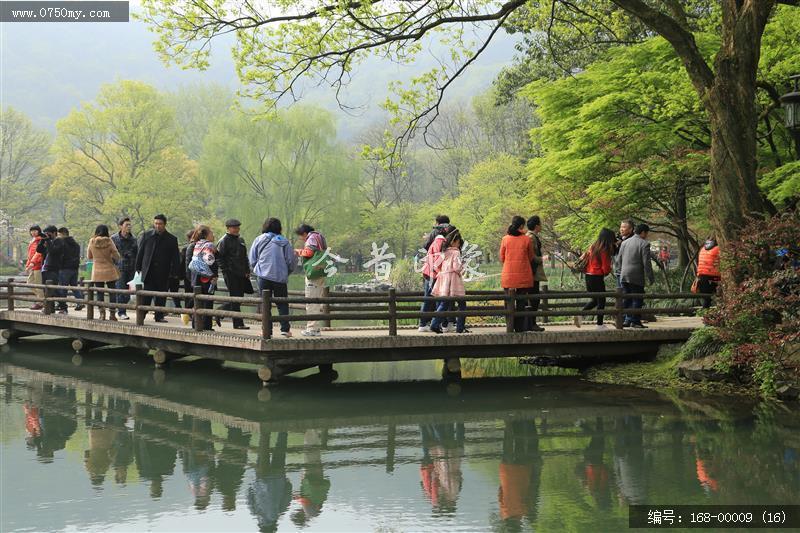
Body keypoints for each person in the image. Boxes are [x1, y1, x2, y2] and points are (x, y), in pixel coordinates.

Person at [249, 218, 297, 337]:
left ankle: (266, 330)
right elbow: (291, 261)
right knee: (282, 304)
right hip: (280, 277)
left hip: (263, 277)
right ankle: (285, 330)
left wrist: (258, 269)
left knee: (265, 304)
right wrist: (286, 272)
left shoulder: (259, 239)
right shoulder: (284, 241)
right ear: (279, 228)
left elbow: (252, 258)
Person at [135, 214, 181, 323]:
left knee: (161, 295)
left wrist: (175, 272)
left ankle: (159, 316)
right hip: (149, 271)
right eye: (156, 223)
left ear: (164, 224)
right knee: (146, 295)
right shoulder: (146, 235)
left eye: (160, 224)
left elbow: (175, 257)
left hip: (163, 272)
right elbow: (140, 252)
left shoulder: (171, 239)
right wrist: (138, 267)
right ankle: (142, 314)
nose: (157, 226)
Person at [429, 229, 469, 334]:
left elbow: (435, 265)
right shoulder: (456, 252)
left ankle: (434, 324)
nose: (459, 245)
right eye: (459, 242)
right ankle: (460, 328)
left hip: (443, 279)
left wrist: (442, 272)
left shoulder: (444, 251)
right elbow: (456, 267)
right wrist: (462, 267)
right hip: (454, 280)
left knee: (444, 303)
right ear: (455, 241)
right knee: (462, 304)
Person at [500, 216, 534, 332]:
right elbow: (531, 257)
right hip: (523, 275)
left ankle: (509, 325)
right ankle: (519, 328)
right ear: (521, 226)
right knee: (521, 302)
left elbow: (502, 257)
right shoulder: (526, 239)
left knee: (508, 302)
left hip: (508, 275)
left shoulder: (505, 239)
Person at [217, 219, 253, 330]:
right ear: (228, 228)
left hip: (242, 273)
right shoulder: (224, 240)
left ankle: (219, 311)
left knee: (239, 298)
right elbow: (219, 257)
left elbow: (245, 257)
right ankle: (238, 323)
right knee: (235, 298)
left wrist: (247, 270)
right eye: (234, 227)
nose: (237, 229)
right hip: (231, 274)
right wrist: (226, 270)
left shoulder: (240, 240)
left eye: (238, 227)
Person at [418, 222, 454, 333]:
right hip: (434, 273)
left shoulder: (436, 241)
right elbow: (439, 260)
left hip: (430, 272)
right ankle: (432, 323)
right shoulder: (440, 242)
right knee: (435, 298)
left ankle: (426, 323)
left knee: (429, 298)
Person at [576, 228, 615, 329]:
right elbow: (605, 267)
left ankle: (580, 315)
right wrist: (608, 271)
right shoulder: (604, 249)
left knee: (595, 300)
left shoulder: (593, 246)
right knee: (601, 300)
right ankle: (599, 324)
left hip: (588, 275)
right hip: (597, 276)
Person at [618, 223, 655, 328]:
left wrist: (621, 271)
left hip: (624, 275)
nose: (647, 235)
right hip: (636, 276)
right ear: (643, 232)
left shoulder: (625, 242)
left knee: (628, 298)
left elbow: (619, 259)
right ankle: (635, 321)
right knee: (638, 298)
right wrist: (650, 277)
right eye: (646, 233)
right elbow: (646, 263)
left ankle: (626, 320)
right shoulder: (644, 244)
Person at [294, 224, 328, 337]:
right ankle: (316, 328)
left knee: (311, 301)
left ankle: (312, 328)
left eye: (301, 236)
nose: (301, 239)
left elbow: (309, 252)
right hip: (321, 272)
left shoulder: (311, 238)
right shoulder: (320, 236)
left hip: (313, 274)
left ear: (304, 233)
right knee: (317, 301)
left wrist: (298, 251)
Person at [186, 225, 218, 331]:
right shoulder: (209, 245)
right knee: (207, 302)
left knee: (198, 302)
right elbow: (209, 261)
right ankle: (206, 326)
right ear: (206, 235)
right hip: (206, 278)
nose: (213, 235)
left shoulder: (197, 244)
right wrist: (214, 274)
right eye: (211, 233)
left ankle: (196, 324)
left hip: (197, 277)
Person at [88, 224, 121, 320]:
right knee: (112, 292)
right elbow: (117, 255)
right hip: (109, 270)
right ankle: (112, 314)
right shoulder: (109, 241)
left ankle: (102, 314)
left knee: (99, 293)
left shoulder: (92, 241)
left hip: (97, 271)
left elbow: (89, 256)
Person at [111, 217, 138, 320]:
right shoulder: (114, 238)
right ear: (120, 226)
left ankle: (122, 308)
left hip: (131, 268)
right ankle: (121, 312)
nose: (129, 227)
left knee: (128, 292)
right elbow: (110, 253)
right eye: (127, 225)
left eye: (130, 225)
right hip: (119, 268)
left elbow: (137, 253)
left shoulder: (134, 239)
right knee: (120, 290)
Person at [55, 227, 85, 314]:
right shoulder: (76, 244)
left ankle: (62, 306)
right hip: (75, 268)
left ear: (64, 234)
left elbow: (61, 256)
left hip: (64, 268)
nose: (58, 236)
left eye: (59, 234)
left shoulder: (62, 243)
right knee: (73, 286)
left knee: (63, 288)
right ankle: (80, 302)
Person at [525, 216, 547, 332]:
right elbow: (531, 256)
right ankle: (532, 323)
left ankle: (530, 323)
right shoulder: (531, 238)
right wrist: (541, 259)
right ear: (536, 225)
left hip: (531, 272)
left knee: (532, 298)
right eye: (540, 224)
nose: (541, 226)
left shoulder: (529, 237)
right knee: (534, 298)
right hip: (532, 273)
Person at [696, 237, 721, 308]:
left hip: (701, 276)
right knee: (719, 295)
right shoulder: (718, 249)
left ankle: (705, 313)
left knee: (707, 298)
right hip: (714, 276)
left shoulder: (702, 249)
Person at [25, 225, 45, 310]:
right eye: (32, 231)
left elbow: (39, 253)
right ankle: (42, 299)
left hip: (38, 265)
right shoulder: (33, 241)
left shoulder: (40, 240)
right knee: (29, 283)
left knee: (38, 285)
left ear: (39, 231)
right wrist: (28, 264)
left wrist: (33, 263)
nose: (33, 232)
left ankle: (40, 302)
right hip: (32, 266)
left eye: (35, 230)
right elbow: (30, 255)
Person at [613, 219, 635, 288]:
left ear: (631, 229)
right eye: (621, 227)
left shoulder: (633, 240)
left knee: (627, 294)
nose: (621, 229)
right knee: (620, 293)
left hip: (628, 272)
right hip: (618, 271)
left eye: (624, 227)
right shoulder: (618, 239)